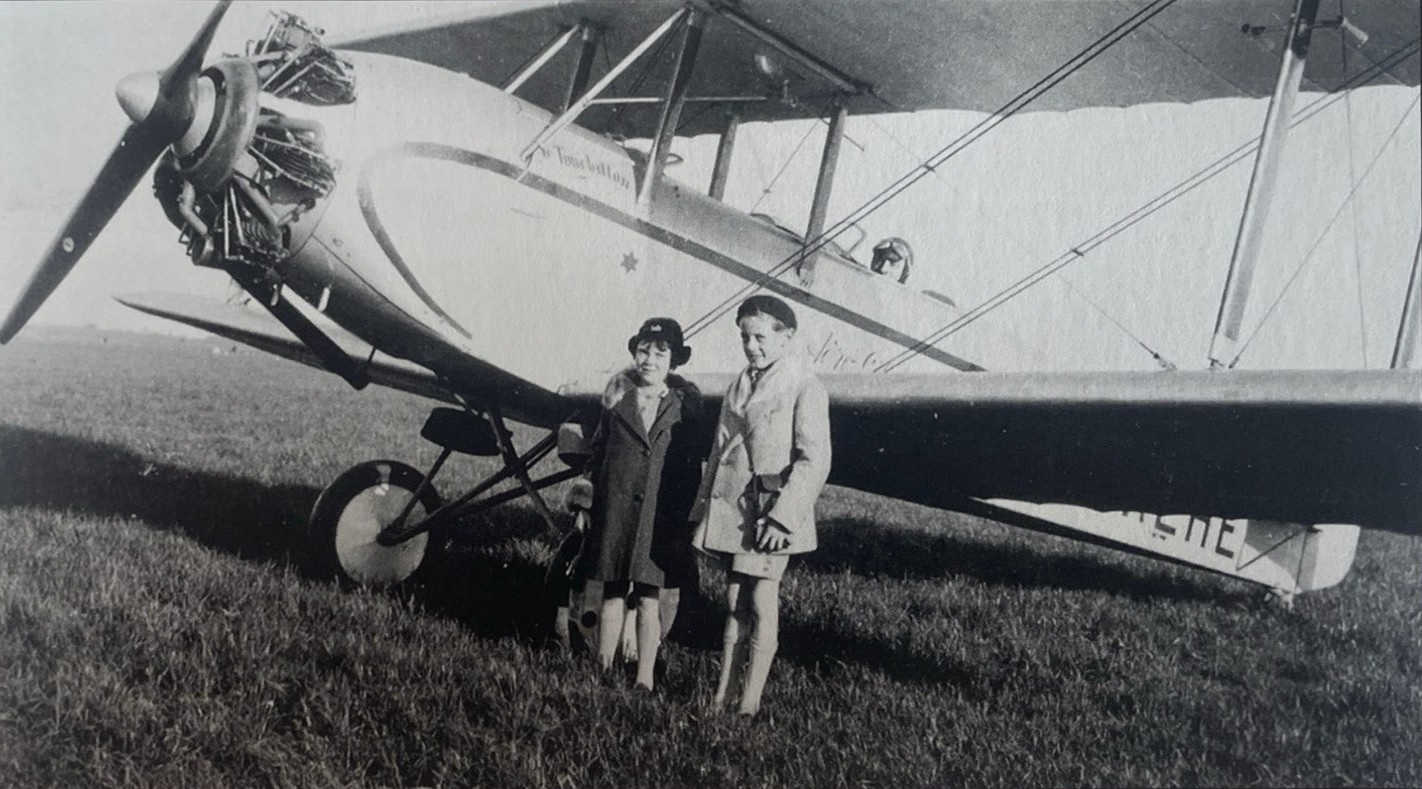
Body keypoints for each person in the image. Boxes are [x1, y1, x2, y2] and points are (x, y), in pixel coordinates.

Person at [690, 295, 831, 716]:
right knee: (734, 601)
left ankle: (749, 701)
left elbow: (814, 458)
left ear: (786, 338)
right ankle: (722, 694)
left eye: (761, 337)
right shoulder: (739, 383)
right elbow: (718, 452)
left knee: (761, 602)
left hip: (770, 513)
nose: (752, 346)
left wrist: (783, 518)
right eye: (745, 337)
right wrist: (702, 512)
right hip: (734, 513)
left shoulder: (805, 385)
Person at [567, 318, 706, 691]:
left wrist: (684, 519)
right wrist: (584, 503)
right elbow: (595, 457)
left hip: (655, 517)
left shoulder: (682, 408)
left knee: (648, 598)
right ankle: (603, 667)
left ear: (674, 360)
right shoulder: (615, 402)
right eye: (643, 351)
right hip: (615, 511)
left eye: (661, 353)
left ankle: (645, 675)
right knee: (612, 592)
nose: (650, 360)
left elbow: (690, 467)